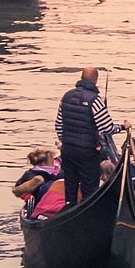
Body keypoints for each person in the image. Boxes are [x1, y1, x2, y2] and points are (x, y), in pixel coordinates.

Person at [55, 67, 120, 205]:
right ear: (95, 80)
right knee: (89, 190)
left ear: (81, 77)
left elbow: (59, 125)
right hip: (87, 152)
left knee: (71, 187)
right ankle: (86, 216)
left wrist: (65, 142)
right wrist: (122, 127)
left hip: (67, 150)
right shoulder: (95, 101)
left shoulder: (66, 96)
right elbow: (107, 128)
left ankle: (70, 208)